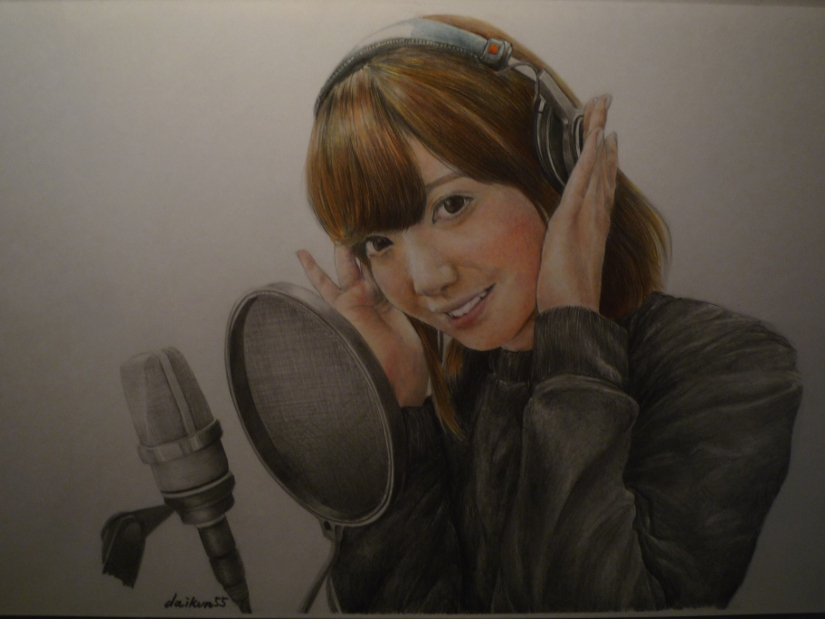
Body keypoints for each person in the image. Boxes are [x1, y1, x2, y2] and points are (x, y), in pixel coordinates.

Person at [296, 15, 802, 613]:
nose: (426, 280)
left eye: (452, 205)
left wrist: (571, 334)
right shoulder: (453, 393)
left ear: (558, 168)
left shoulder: (728, 368)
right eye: (379, 243)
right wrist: (399, 413)